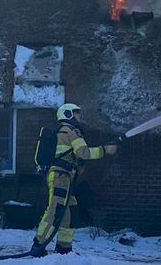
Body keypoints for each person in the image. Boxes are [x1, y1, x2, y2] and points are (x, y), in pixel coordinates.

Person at [31, 103, 117, 257]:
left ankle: (64, 248)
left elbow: (74, 156)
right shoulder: (71, 131)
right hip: (61, 176)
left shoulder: (65, 131)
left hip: (65, 177)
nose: (80, 117)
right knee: (56, 209)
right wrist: (105, 150)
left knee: (69, 211)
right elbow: (83, 152)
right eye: (77, 113)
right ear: (68, 114)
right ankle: (38, 244)